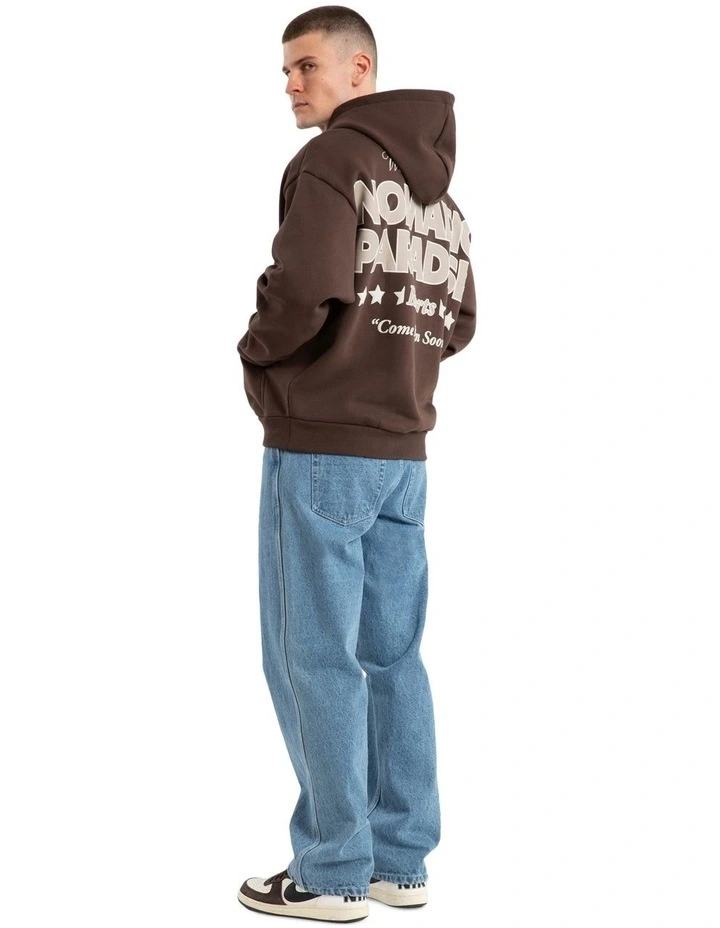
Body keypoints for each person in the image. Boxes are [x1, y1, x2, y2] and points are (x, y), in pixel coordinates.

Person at [235, 5, 476, 921]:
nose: (291, 85)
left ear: (359, 68)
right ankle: (399, 862)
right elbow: (458, 319)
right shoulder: (442, 200)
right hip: (404, 456)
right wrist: (392, 362)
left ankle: (332, 871)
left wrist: (258, 354)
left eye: (305, 66)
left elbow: (304, 288)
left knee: (312, 658)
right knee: (393, 657)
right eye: (285, 71)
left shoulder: (331, 162)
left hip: (323, 449)